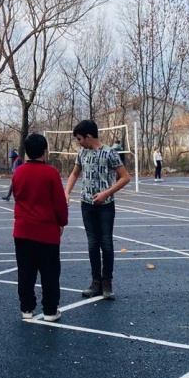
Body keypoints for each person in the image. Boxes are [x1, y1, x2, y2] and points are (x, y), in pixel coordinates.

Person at [64, 119, 131, 299]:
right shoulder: (82, 153)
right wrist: (67, 192)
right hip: (86, 204)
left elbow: (125, 177)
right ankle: (96, 282)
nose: (79, 142)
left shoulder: (110, 153)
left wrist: (106, 193)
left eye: (80, 139)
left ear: (89, 136)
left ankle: (107, 282)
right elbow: (75, 173)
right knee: (92, 244)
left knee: (106, 244)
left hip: (105, 206)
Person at [12, 134, 68, 322]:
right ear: (45, 151)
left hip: (22, 229)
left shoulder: (18, 172)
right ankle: (50, 310)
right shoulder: (51, 173)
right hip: (46, 231)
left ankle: (26, 308)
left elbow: (17, 196)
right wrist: (62, 222)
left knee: (25, 271)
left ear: (26, 151)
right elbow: (59, 202)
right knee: (50, 272)